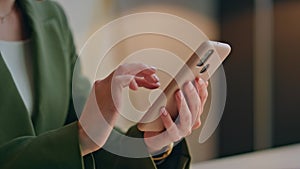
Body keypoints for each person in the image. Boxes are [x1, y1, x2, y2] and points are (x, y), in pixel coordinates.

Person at [0, 0, 209, 169]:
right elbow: (81, 138)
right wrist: (80, 138)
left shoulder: (51, 18)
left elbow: (90, 142)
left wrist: (148, 143)